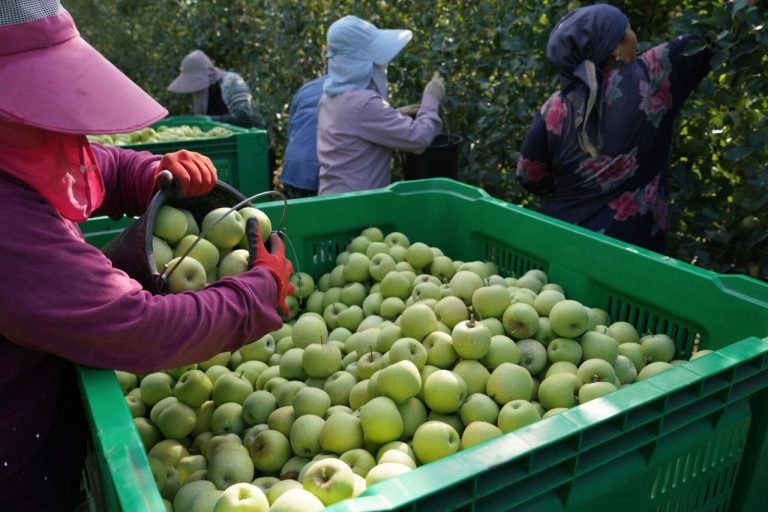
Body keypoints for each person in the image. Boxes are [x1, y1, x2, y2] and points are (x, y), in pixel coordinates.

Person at [0, 2, 293, 509]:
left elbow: (90, 165)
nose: (72, 138)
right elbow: (138, 325)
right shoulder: (9, 226)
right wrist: (255, 296)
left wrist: (153, 173)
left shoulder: (20, 145)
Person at [515, 2, 757, 253]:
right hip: (628, 253)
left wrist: (580, 190)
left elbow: (529, 176)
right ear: (616, 47)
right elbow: (714, 34)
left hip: (561, 241)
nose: (635, 36)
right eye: (628, 28)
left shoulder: (555, 107)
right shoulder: (652, 76)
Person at [316, 15, 446, 195]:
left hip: (332, 201)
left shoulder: (329, 97)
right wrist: (431, 98)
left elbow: (352, 127)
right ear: (362, 63)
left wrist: (396, 113)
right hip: (357, 209)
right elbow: (419, 138)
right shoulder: (364, 104)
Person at [167, 49, 267, 130]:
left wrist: (209, 120)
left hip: (252, 142)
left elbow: (244, 116)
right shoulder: (201, 94)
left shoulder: (232, 82)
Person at [279, 51, 329, 198]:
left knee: (294, 219)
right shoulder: (355, 90)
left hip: (293, 171)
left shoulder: (307, 88)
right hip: (320, 175)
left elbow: (292, 130)